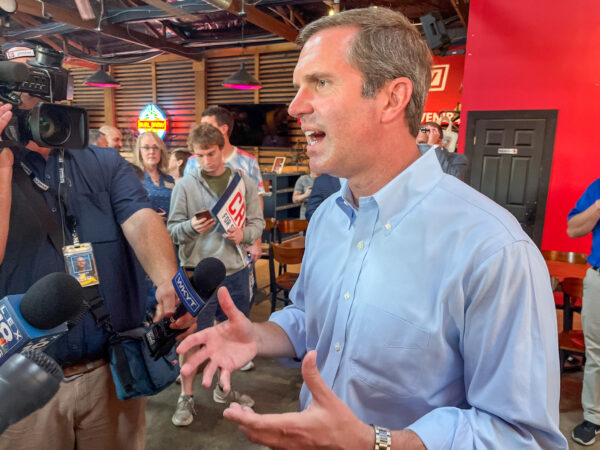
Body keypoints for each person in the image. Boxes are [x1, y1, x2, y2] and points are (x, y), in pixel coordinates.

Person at [177, 8, 567, 450]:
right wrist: (259, 335)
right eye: (297, 88)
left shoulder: (494, 248)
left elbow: (522, 436)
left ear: (391, 98)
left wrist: (374, 443)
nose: (295, 106)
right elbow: (311, 319)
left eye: (320, 83)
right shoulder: (328, 218)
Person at [0, 44, 195, 450]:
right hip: (21, 385)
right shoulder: (3, 166)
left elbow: (140, 218)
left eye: (48, 95)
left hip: (110, 372)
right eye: (23, 96)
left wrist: (166, 281)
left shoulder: (104, 163)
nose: (39, 111)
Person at [167, 123, 265, 427]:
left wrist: (245, 234)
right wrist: (190, 228)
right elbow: (172, 229)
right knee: (191, 336)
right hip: (198, 272)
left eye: (211, 153)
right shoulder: (186, 184)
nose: (206, 160)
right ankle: (186, 396)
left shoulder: (243, 182)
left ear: (222, 150)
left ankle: (224, 388)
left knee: (232, 334)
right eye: (199, 155)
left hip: (235, 270)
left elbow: (258, 223)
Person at [567, 180, 600, 445]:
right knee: (596, 352)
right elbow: (573, 230)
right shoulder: (597, 187)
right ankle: (594, 417)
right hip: (599, 278)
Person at [133, 131, 175, 218]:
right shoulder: (132, 178)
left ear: (161, 151)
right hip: (144, 228)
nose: (152, 151)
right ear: (140, 151)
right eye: (146, 148)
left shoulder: (169, 179)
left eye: (156, 147)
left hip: (168, 229)